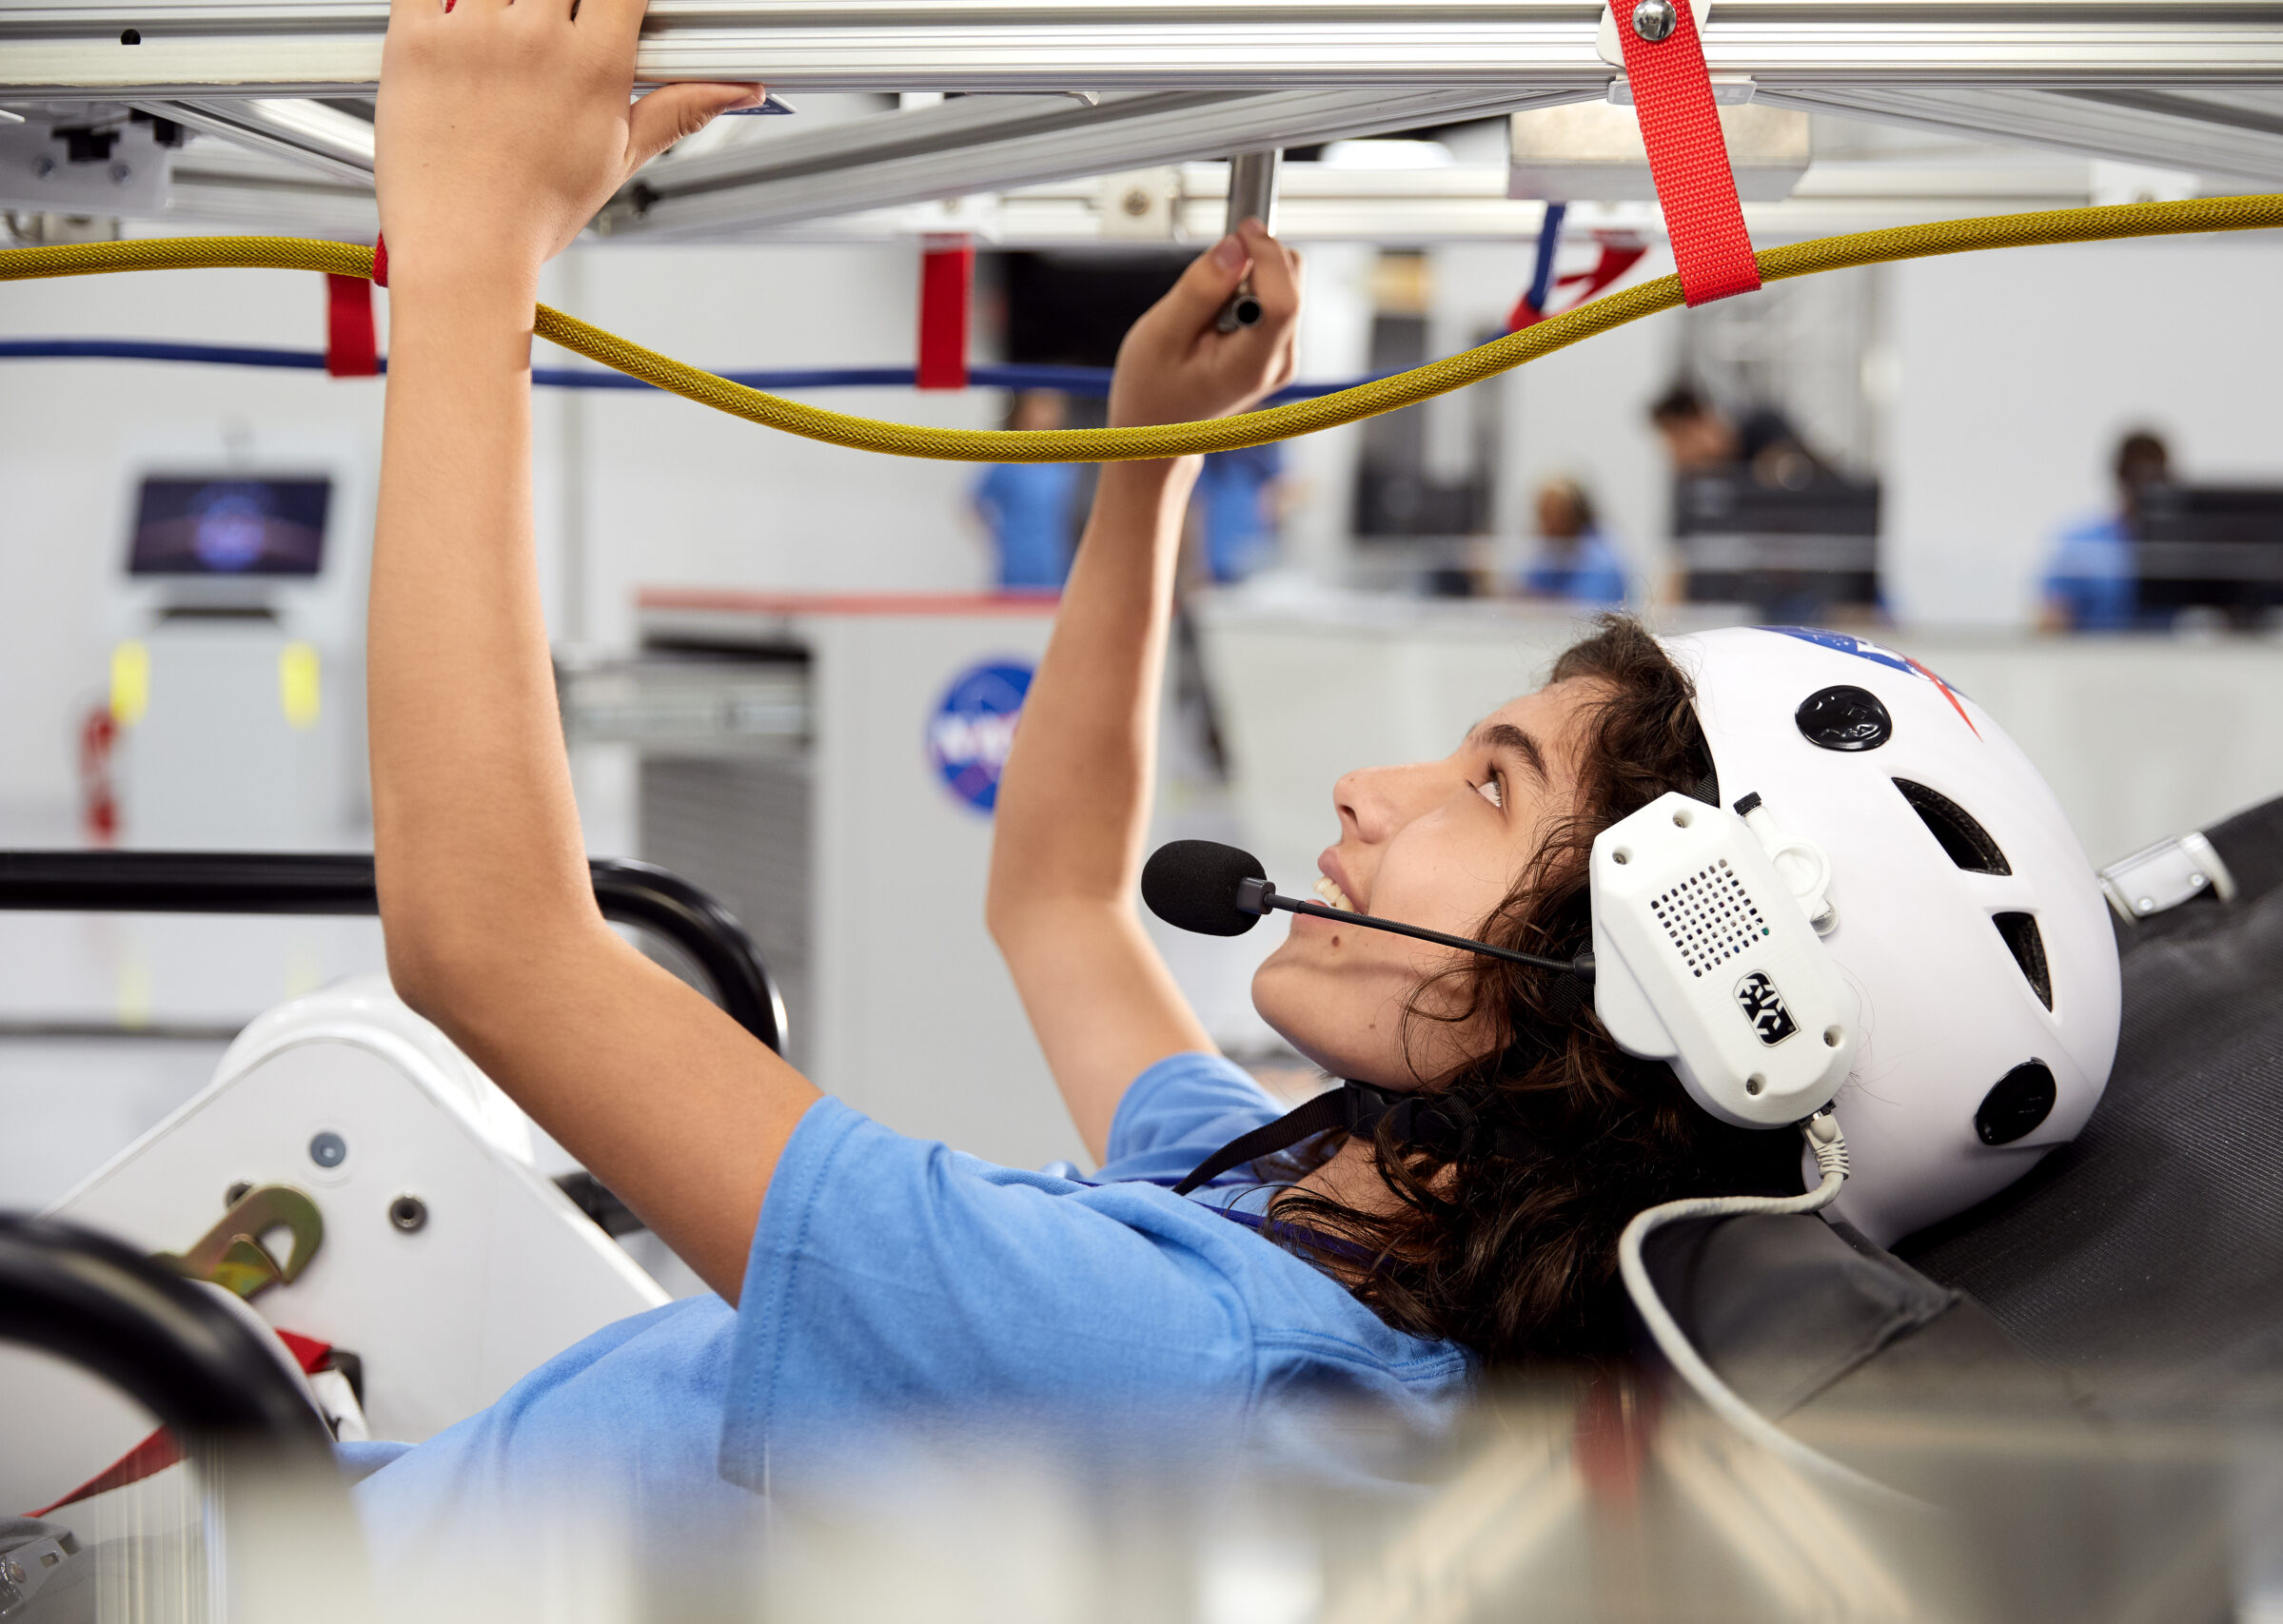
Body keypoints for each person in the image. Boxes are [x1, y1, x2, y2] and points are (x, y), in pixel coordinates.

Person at [347, 0, 2116, 1561]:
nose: (1369, 790)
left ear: (1660, 990)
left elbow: (490, 949)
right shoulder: (1343, 1217)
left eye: (1489, 790)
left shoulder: (1184, 1366)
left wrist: (475, 249)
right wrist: (1154, 464)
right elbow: (1052, 898)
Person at [2039, 430, 2173, 633]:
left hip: (2168, 661)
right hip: (2093, 661)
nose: (2144, 484)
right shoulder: (2082, 545)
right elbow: (2051, 622)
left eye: (2154, 475)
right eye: (2135, 473)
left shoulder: (2180, 549)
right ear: (2119, 474)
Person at [972, 390, 1083, 590]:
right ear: (1024, 412)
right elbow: (975, 501)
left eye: (1053, 408)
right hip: (1016, 566)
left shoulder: (1064, 467)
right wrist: (997, 535)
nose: (1049, 414)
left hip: (1054, 565)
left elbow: (1069, 516)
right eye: (1042, 406)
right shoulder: (1006, 463)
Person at [1646, 382, 1817, 491]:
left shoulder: (1765, 426)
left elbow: (1789, 470)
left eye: (1680, 438)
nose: (1676, 452)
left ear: (1702, 421)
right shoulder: (1698, 483)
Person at [1519, 477, 1631, 604]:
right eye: (1543, 514)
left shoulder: (1600, 560)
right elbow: (1525, 591)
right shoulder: (1550, 552)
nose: (1547, 525)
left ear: (1575, 515)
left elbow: (1587, 609)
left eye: (1555, 515)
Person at [1193, 441, 1285, 584]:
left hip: (1253, 551)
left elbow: (1279, 490)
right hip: (1213, 557)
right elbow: (1196, 506)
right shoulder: (1208, 453)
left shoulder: (1262, 454)